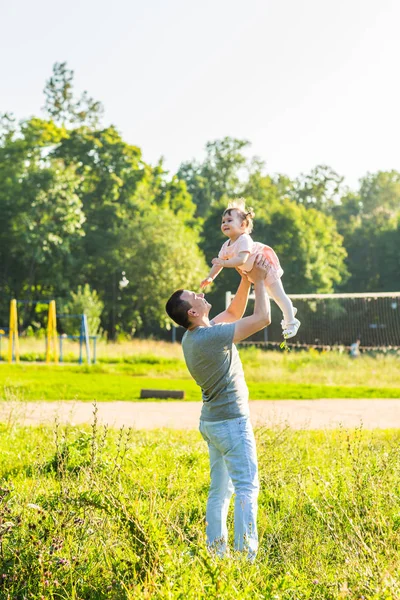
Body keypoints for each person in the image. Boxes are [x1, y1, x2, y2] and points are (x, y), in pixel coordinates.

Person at [165, 254, 271, 562]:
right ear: (195, 311)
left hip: (212, 424)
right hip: (231, 423)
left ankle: (216, 552)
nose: (199, 293)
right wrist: (261, 283)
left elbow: (235, 310)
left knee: (220, 491)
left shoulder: (194, 336)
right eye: (194, 296)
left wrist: (245, 279)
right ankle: (245, 558)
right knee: (247, 488)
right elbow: (261, 319)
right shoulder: (212, 337)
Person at [200, 198, 300, 339]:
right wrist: (210, 277)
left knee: (278, 294)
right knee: (274, 296)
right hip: (254, 271)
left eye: (229, 220)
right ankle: (288, 310)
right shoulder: (226, 245)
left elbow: (241, 260)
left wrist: (223, 263)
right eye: (223, 221)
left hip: (265, 265)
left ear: (242, 225)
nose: (225, 224)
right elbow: (218, 264)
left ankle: (291, 322)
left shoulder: (244, 239)